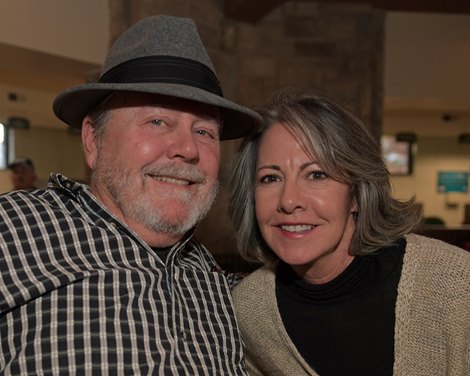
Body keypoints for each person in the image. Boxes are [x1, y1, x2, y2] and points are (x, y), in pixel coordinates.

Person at [0, 15, 260, 375]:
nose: (187, 148)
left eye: (204, 131)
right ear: (94, 139)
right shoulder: (12, 230)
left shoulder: (221, 286)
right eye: (157, 121)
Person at [228, 89, 470, 375]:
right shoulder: (249, 313)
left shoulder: (455, 283)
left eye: (316, 175)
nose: (289, 201)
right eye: (270, 178)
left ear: (356, 194)